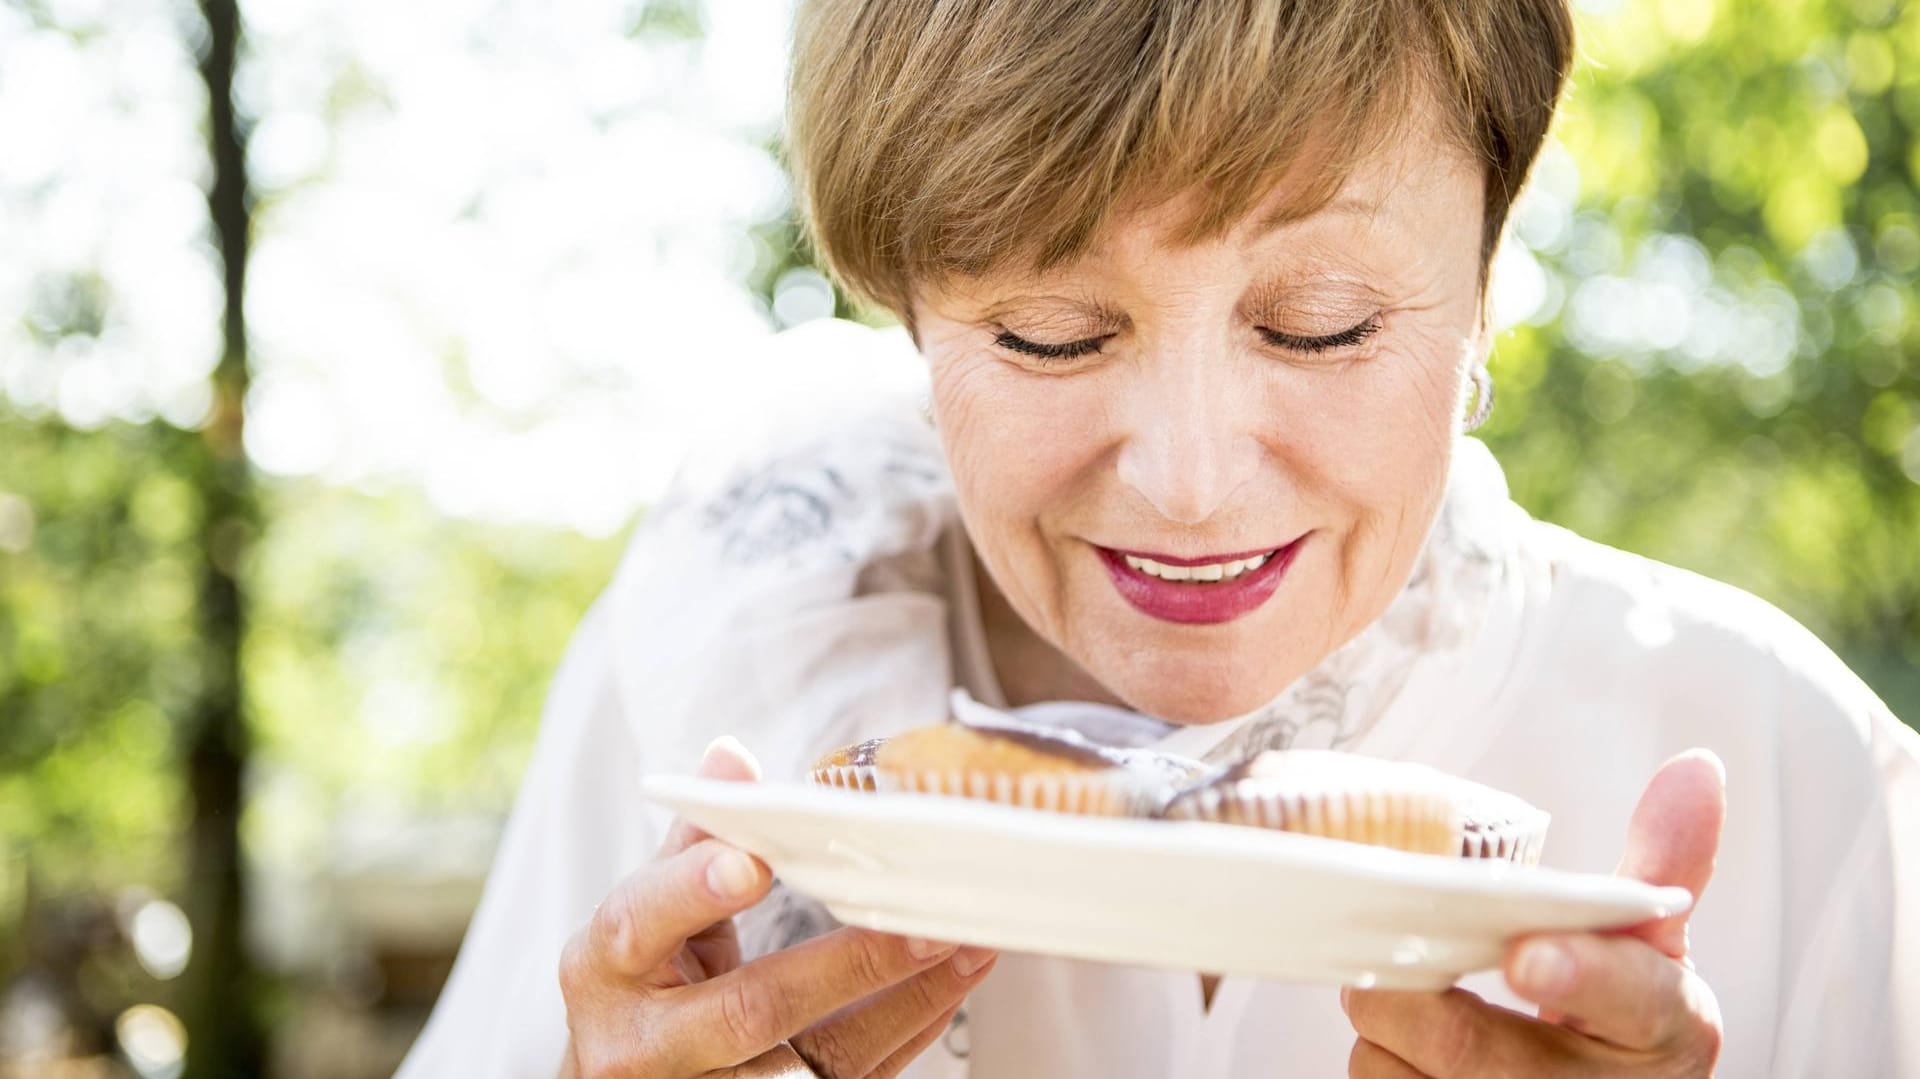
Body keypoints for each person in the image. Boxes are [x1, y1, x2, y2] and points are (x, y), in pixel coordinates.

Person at [396, 0, 1920, 1075]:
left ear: (1488, 273)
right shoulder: (705, 683)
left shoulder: (1810, 783)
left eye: (1323, 325)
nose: (1190, 483)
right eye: (1054, 336)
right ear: (909, 320)